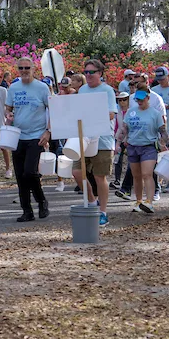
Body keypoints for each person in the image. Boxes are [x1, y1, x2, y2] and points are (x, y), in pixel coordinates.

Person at [5, 58, 52, 222]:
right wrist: (8, 114)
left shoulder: (42, 88)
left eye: (27, 68)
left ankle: (41, 201)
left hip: (36, 136)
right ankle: (27, 211)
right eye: (21, 68)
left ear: (33, 69)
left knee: (30, 172)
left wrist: (48, 132)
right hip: (18, 136)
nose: (24, 71)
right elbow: (8, 108)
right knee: (20, 175)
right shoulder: (13, 87)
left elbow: (52, 110)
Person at [72, 59, 117, 226]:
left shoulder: (107, 90)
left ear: (100, 73)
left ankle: (103, 212)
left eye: (92, 72)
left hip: (103, 139)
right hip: (84, 137)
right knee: (77, 172)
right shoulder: (82, 90)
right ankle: (92, 201)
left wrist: (92, 115)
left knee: (99, 176)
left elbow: (111, 114)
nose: (88, 75)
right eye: (86, 72)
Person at [118, 89, 169, 214]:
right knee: (136, 176)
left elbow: (162, 130)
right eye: (137, 100)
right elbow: (124, 129)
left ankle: (149, 202)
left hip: (149, 147)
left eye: (142, 99)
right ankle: (139, 201)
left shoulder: (155, 113)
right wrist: (118, 143)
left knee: (147, 174)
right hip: (133, 146)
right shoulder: (131, 112)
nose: (140, 102)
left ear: (148, 98)